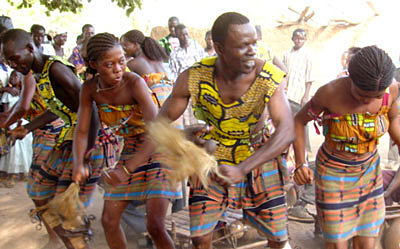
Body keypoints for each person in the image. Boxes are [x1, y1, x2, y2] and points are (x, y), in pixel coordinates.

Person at [156, 12, 294, 249]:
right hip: (211, 160)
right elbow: (160, 123)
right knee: (200, 238)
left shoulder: (268, 76)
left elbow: (287, 130)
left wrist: (242, 168)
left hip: (259, 158)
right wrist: (182, 138)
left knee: (278, 237)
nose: (253, 50)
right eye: (243, 46)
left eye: (254, 43)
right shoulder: (194, 77)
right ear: (219, 48)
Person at [1, 28, 115, 249]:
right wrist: (27, 128)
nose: (14, 65)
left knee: (68, 213)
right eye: (9, 61)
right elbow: (61, 107)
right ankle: (64, 240)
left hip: (90, 143)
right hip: (70, 141)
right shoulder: (40, 72)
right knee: (38, 189)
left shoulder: (55, 70)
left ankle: (77, 240)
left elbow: (89, 108)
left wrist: (85, 155)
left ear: (29, 48)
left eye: (15, 58)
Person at [72, 32, 181, 249]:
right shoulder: (90, 89)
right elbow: (82, 132)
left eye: (121, 61)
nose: (118, 69)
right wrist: (78, 163)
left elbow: (157, 131)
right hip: (132, 148)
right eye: (109, 64)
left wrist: (127, 169)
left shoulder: (134, 83)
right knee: (109, 221)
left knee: (155, 225)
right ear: (94, 65)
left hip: (160, 147)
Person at [293, 45, 398, 249]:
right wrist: (300, 163)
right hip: (333, 173)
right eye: (361, 94)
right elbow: (298, 121)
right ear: (350, 77)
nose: (368, 100)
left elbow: (394, 119)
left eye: (376, 96)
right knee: (337, 243)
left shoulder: (391, 89)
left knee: (367, 241)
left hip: (369, 172)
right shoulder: (329, 93)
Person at [0, 70, 33, 188]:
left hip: (21, 122)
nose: (13, 78)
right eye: (12, 76)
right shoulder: (8, 94)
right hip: (11, 122)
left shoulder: (23, 93)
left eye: (16, 76)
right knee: (13, 148)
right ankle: (10, 174)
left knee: (24, 145)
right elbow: (6, 112)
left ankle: (20, 171)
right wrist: (8, 124)